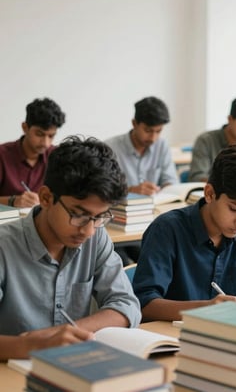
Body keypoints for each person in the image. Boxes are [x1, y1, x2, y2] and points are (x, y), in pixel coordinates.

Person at [0, 135, 141, 360]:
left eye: (99, 217)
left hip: (74, 368)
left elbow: (126, 305)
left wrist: (60, 334)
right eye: (78, 215)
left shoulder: (95, 238)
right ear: (46, 198)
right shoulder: (4, 248)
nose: (88, 231)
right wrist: (32, 345)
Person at [133, 144, 236, 322]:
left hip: (225, 335)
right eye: (233, 208)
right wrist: (206, 309)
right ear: (209, 194)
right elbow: (144, 304)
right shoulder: (167, 230)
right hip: (171, 336)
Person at [0, 97, 66, 208]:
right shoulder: (2, 155)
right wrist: (13, 201)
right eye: (39, 134)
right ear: (25, 127)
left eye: (51, 136)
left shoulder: (57, 156)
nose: (45, 143)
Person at [106, 96, 178, 196]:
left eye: (158, 131)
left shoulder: (162, 146)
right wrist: (129, 190)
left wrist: (168, 188)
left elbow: (170, 181)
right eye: (148, 130)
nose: (153, 138)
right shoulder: (110, 149)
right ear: (134, 123)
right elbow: (102, 190)